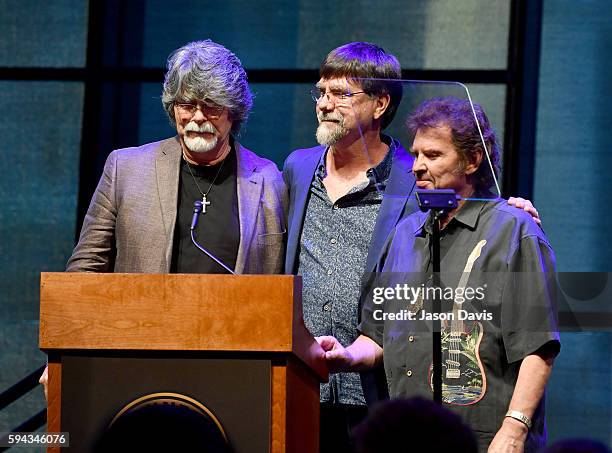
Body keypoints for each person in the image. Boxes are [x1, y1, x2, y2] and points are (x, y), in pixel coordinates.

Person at [283, 42, 541, 453]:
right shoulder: (298, 167)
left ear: (380, 103)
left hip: (382, 395)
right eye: (321, 92)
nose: (326, 104)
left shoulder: (413, 177)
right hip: (308, 379)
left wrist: (515, 212)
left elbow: (473, 206)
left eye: (341, 94)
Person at [40, 40, 287, 394]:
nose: (198, 118)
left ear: (234, 112)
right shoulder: (124, 168)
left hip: (236, 369)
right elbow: (84, 272)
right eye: (187, 105)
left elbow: (280, 282)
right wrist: (59, 356)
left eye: (212, 107)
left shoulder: (269, 179)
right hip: (138, 362)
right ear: (173, 109)